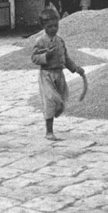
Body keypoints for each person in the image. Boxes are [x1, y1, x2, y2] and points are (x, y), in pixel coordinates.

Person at [31, 9, 85, 141]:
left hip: (59, 75)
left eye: (56, 25)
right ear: (43, 26)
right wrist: (46, 55)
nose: (53, 29)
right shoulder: (40, 41)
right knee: (50, 101)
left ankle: (57, 110)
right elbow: (34, 58)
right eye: (49, 26)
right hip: (46, 75)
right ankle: (49, 131)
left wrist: (76, 68)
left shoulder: (60, 41)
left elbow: (66, 58)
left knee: (59, 101)